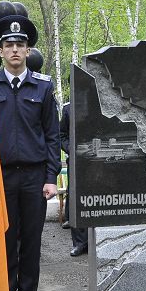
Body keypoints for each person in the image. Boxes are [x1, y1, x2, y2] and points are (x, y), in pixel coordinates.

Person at [0, 15, 60, 291]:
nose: (14, 50)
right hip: (0, 177)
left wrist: (50, 177)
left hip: (32, 176)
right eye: (8, 45)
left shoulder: (42, 87)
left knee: (30, 241)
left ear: (28, 51)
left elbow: (51, 134)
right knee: (3, 240)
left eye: (20, 45)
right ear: (1, 51)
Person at [60, 100, 88, 256]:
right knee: (76, 199)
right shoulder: (68, 108)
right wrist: (70, 148)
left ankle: (97, 240)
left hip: (98, 160)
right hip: (76, 161)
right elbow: (61, 134)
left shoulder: (98, 102)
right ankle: (80, 242)